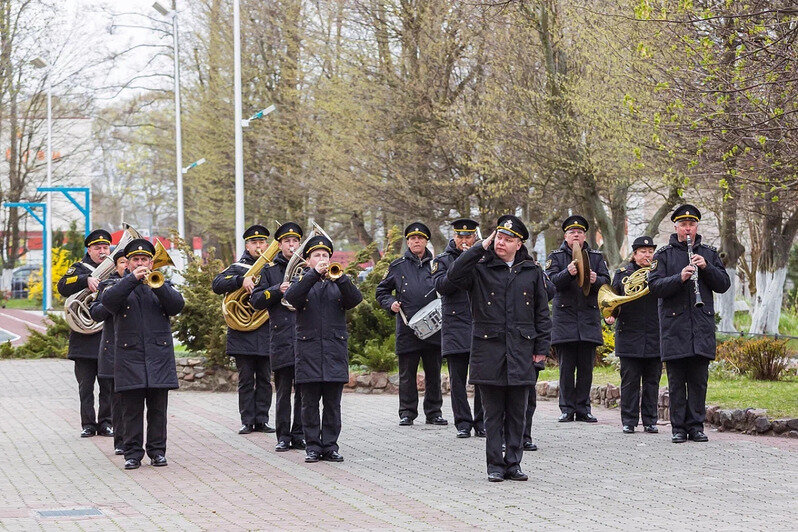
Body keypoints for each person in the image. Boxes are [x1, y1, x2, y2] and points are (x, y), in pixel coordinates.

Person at [447, 215, 551, 482]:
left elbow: (542, 312)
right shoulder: (480, 268)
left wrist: (542, 347)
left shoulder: (531, 271)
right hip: (488, 349)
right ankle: (495, 465)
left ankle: (513, 463)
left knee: (518, 412)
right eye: (499, 238)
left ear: (519, 244)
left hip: (521, 349)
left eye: (508, 239)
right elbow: (453, 276)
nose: (502, 243)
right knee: (492, 414)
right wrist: (479, 247)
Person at [99, 238, 184, 469]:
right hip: (129, 356)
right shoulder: (114, 284)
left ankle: (157, 452)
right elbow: (107, 302)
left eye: (144, 259)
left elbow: (177, 305)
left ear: (151, 261)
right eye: (135, 259)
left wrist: (158, 284)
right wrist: (131, 280)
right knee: (131, 410)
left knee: (158, 410)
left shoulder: (161, 283)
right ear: (127, 263)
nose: (140, 263)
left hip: (158, 356)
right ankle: (132, 454)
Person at [648, 205, 730, 443]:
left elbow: (723, 284)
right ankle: (678, 428)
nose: (687, 229)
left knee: (698, 381)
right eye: (683, 225)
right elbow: (654, 287)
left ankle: (696, 426)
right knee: (676, 382)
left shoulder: (709, 253)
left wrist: (706, 267)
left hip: (701, 327)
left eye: (691, 224)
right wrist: (680, 277)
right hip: (675, 328)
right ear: (675, 227)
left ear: (696, 227)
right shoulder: (663, 255)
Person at [284, 235, 363, 463]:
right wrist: (313, 275)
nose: (322, 259)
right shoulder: (302, 281)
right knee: (308, 404)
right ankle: (312, 447)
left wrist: (341, 279)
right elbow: (291, 298)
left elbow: (355, 299)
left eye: (325, 256)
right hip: (308, 352)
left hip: (334, 351)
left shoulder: (338, 281)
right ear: (308, 260)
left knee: (332, 405)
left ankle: (330, 446)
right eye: (317, 256)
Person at [376, 222, 447, 427]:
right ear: (407, 242)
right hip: (408, 329)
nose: (416, 241)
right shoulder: (397, 267)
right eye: (412, 239)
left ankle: (434, 413)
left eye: (420, 238)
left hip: (434, 328)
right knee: (407, 374)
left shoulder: (436, 265)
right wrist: (391, 304)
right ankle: (407, 413)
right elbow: (381, 292)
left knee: (434, 373)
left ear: (426, 241)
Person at [545, 215, 611, 423]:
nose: (576, 235)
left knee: (585, 369)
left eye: (580, 232)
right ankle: (566, 408)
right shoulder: (555, 257)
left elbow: (607, 283)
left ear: (584, 235)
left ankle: (583, 408)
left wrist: (596, 279)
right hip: (565, 320)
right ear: (565, 236)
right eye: (572, 232)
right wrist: (567, 273)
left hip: (588, 319)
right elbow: (550, 285)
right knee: (566, 368)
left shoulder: (596, 256)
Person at [212, 224, 274, 435]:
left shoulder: (272, 267)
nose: (259, 246)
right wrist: (241, 280)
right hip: (242, 333)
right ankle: (247, 420)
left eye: (262, 242)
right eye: (254, 243)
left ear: (267, 244)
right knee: (246, 379)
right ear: (247, 246)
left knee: (265, 379)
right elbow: (216, 284)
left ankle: (263, 420)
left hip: (266, 331)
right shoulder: (238, 267)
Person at [250, 222, 306, 452]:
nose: (291, 245)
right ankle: (283, 436)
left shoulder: (308, 268)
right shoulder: (270, 269)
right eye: (286, 242)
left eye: (294, 241)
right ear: (280, 245)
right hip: (281, 335)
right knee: (283, 390)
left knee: (303, 391)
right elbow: (255, 300)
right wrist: (276, 290)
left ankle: (300, 434)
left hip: (303, 335)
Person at [57, 229, 114, 438]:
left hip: (105, 335)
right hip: (83, 338)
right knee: (85, 386)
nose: (102, 251)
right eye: (97, 248)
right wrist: (85, 279)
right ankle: (88, 424)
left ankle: (107, 423)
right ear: (89, 250)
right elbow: (62, 286)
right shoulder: (78, 268)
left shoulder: (115, 270)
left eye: (105, 247)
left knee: (108, 384)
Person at [432, 218, 485, 438]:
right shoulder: (442, 260)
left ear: (475, 237)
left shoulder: (483, 258)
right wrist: (463, 261)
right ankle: (463, 422)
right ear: (454, 237)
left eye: (468, 237)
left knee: (482, 377)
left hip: (479, 322)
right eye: (460, 236)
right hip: (455, 325)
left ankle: (482, 421)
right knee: (457, 380)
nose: (464, 240)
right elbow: (441, 286)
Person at [604, 236, 661, 434]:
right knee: (630, 382)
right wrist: (610, 316)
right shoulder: (622, 274)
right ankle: (629, 421)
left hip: (654, 334)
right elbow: (612, 300)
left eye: (650, 251)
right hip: (629, 334)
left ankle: (650, 420)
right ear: (634, 254)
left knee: (652, 382)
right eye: (643, 252)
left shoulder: (658, 273)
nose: (647, 255)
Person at [89, 251, 129, 455]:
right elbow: (96, 312)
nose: (126, 265)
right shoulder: (108, 285)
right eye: (122, 262)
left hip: (136, 351)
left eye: (127, 261)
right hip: (114, 349)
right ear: (116, 267)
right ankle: (121, 442)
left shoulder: (148, 282)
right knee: (117, 399)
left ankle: (139, 443)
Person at [522, 269, 556, 451]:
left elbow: (550, 292)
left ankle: (525, 436)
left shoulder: (533, 270)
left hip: (530, 344)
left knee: (529, 396)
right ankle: (505, 436)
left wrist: (542, 349)